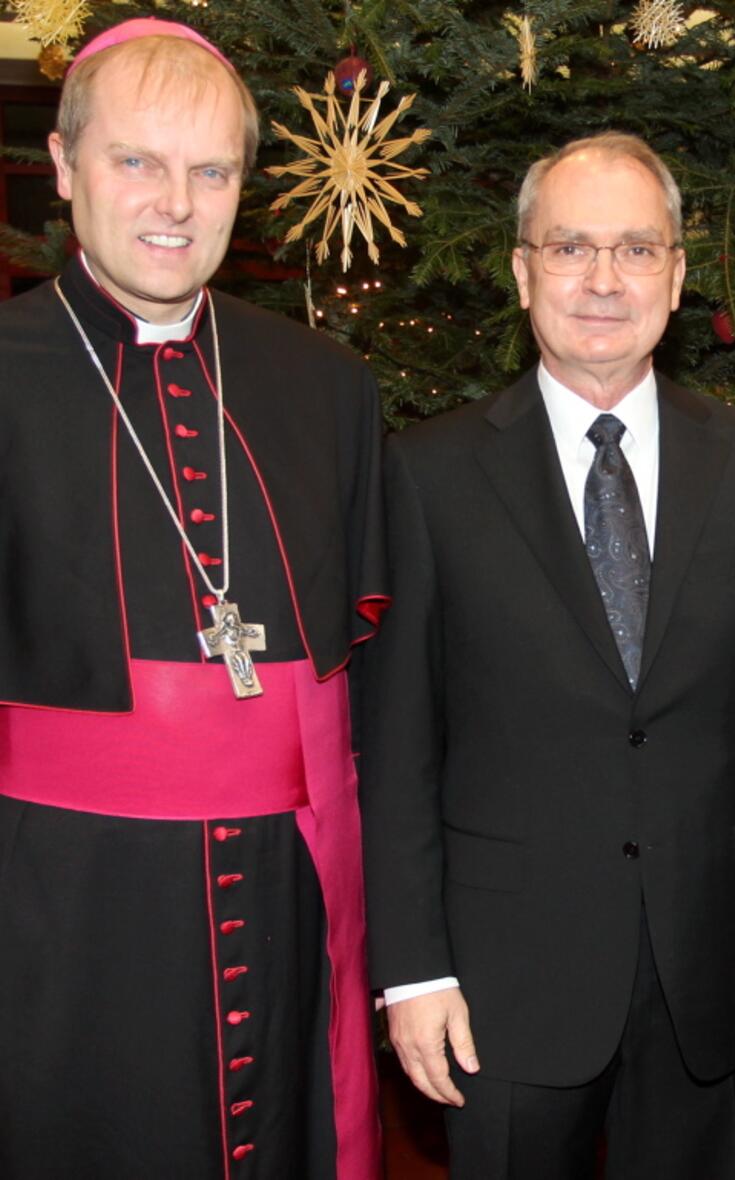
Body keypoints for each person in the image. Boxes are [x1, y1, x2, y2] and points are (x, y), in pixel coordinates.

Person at [361, 131, 735, 1178]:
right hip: (503, 980)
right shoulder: (425, 475)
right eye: (571, 246)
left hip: (707, 969)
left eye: (635, 248)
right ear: (522, 268)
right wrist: (411, 971)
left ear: (676, 273)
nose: (602, 279)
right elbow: (397, 746)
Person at [0, 19, 387, 1178]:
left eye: (211, 170)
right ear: (64, 169)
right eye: (137, 162)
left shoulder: (326, 387)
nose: (176, 202)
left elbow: (375, 681)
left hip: (287, 897)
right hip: (60, 911)